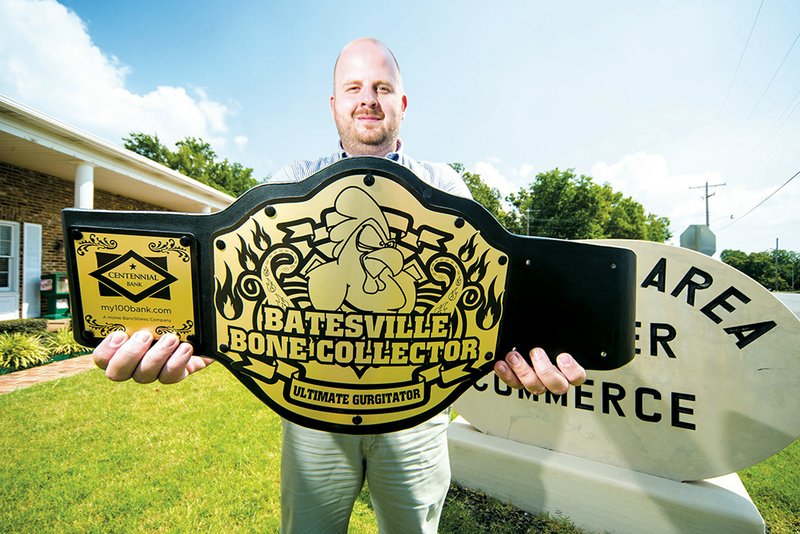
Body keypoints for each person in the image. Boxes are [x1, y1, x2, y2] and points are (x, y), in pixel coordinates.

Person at [92, 37, 587, 534]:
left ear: (402, 103)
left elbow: (486, 286)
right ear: (334, 104)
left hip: (417, 419)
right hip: (312, 417)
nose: (368, 98)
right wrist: (196, 343)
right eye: (354, 87)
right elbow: (234, 277)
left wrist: (516, 352)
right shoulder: (289, 184)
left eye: (382, 87)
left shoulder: (445, 186)